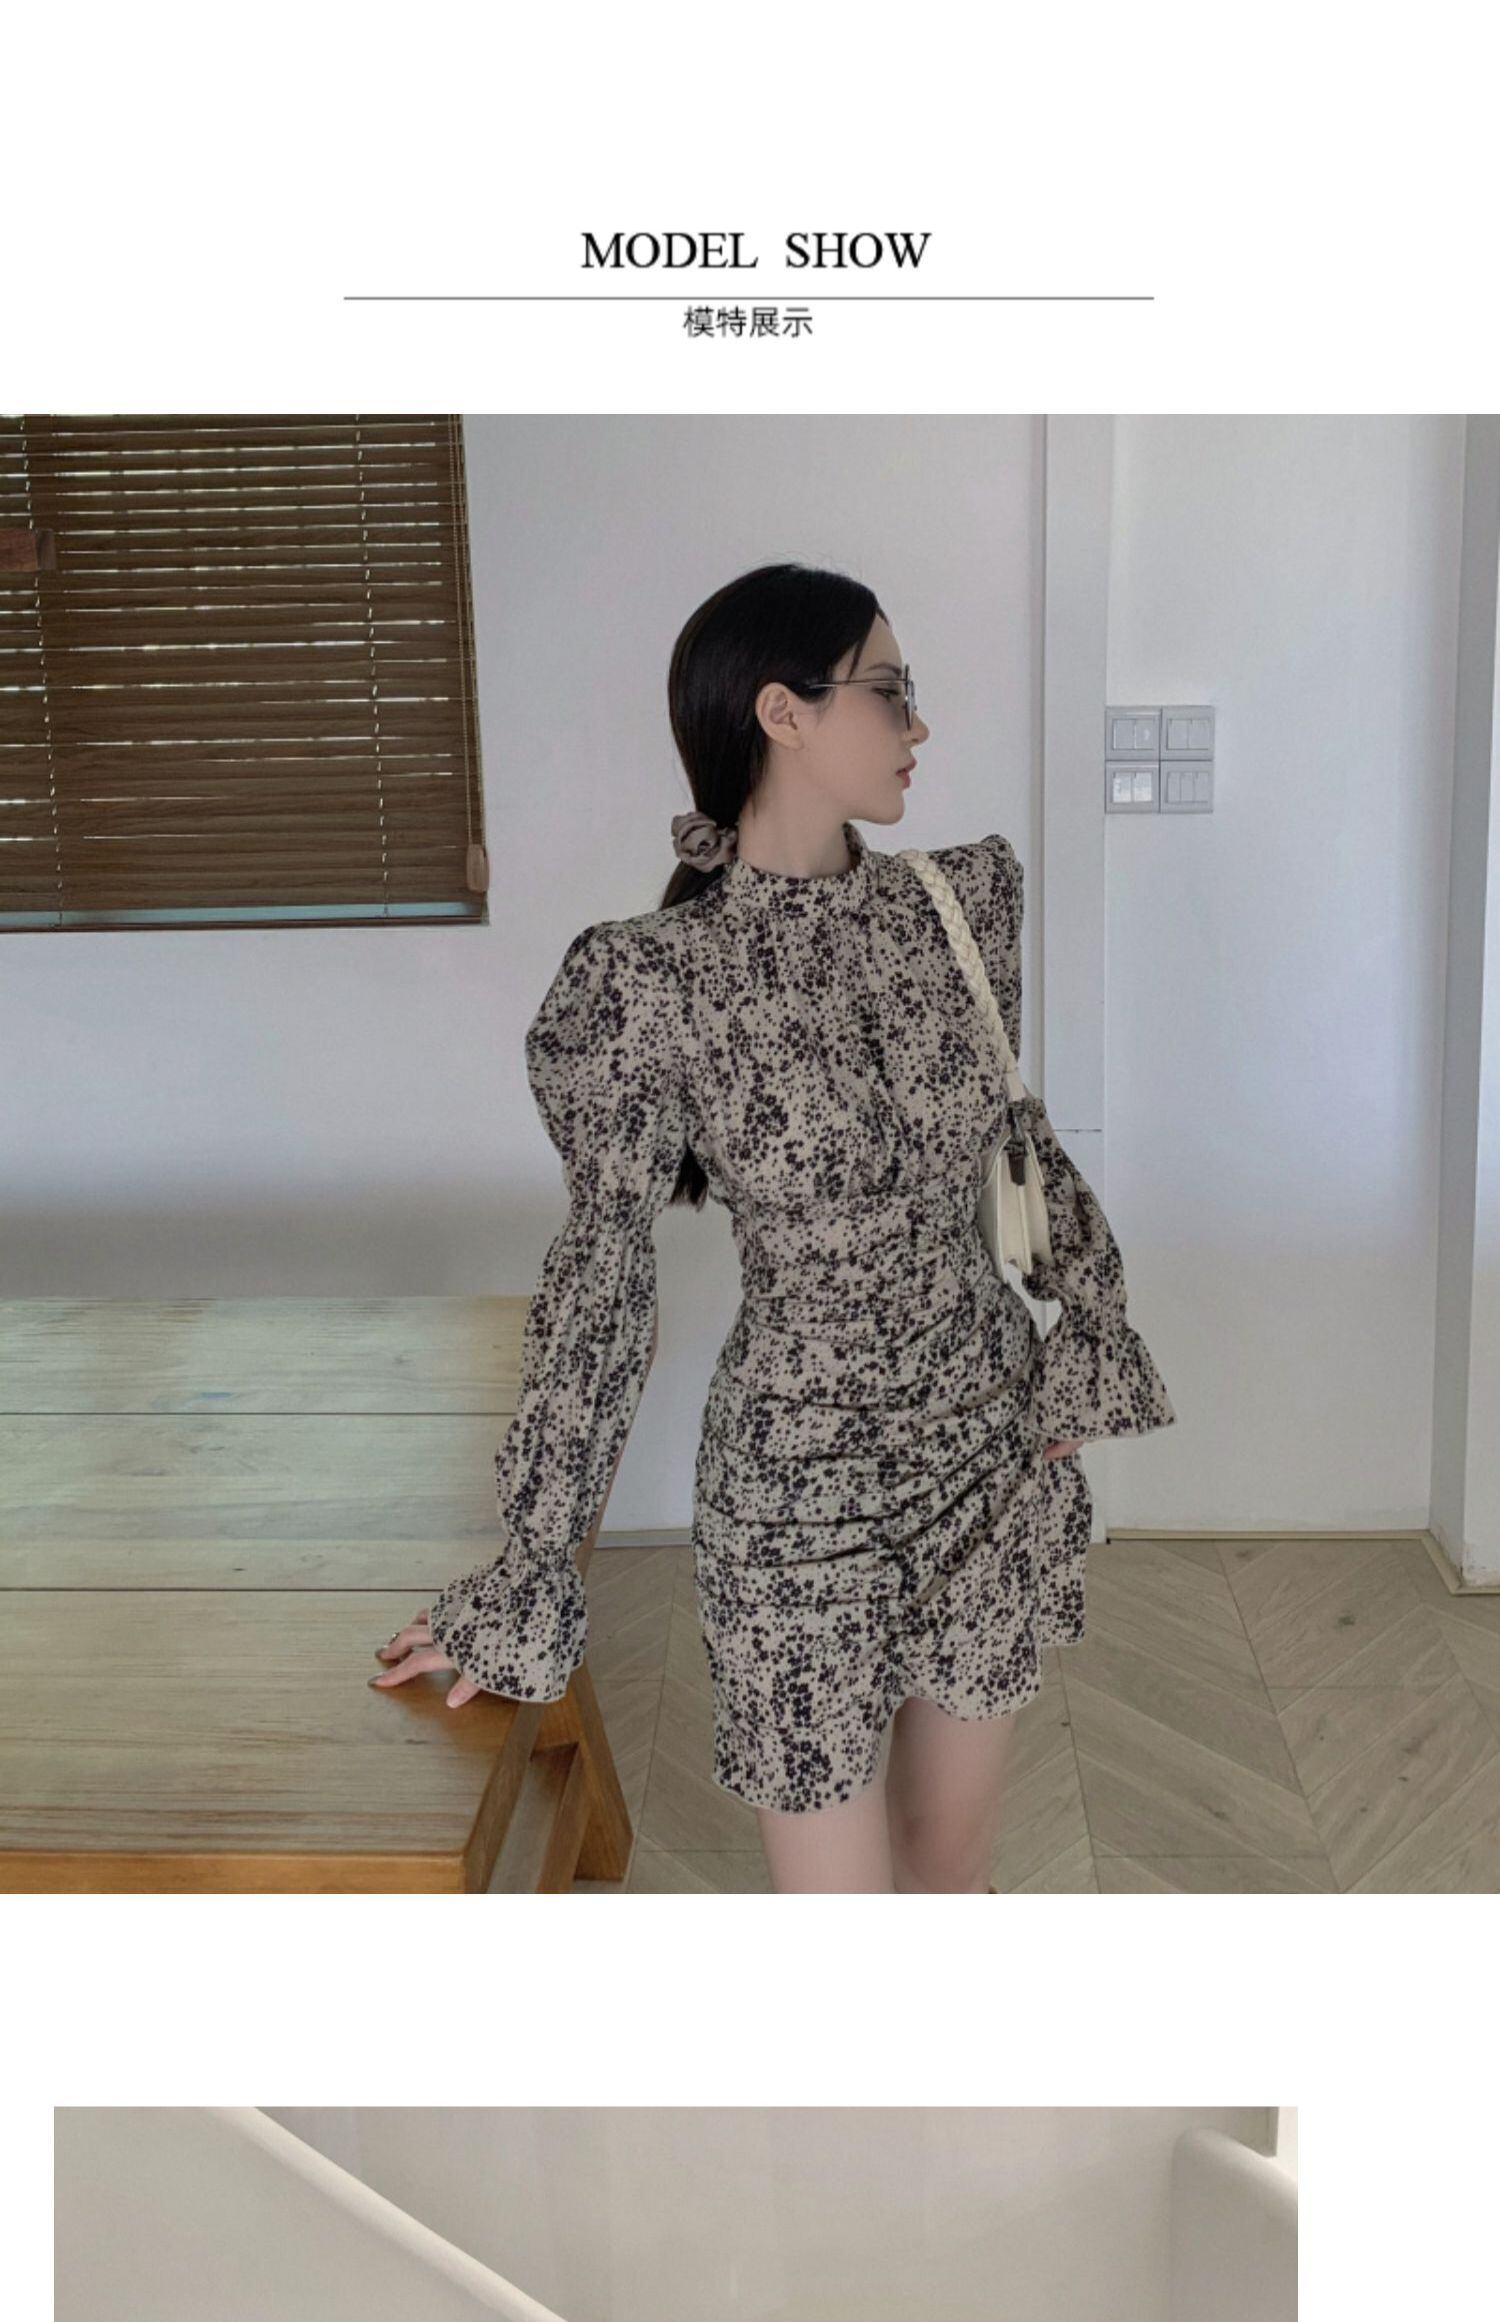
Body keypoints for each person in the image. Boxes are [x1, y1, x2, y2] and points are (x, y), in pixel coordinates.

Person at [371, 561, 1176, 1892]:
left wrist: (1083, 1324)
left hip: (989, 1449)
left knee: (949, 1876)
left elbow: (1012, 1152)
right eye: (890, 690)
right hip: (798, 1489)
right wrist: (530, 1570)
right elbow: (603, 1288)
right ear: (782, 712)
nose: (919, 723)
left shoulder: (963, 905)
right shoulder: (645, 981)